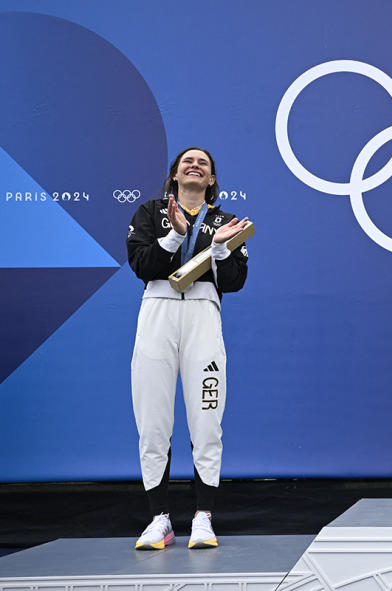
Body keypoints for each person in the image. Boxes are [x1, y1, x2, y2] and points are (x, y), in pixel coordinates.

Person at [126, 147, 250, 550]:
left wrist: (218, 249)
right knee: (153, 421)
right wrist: (176, 234)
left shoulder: (226, 222)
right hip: (157, 312)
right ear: (174, 176)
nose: (195, 166)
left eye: (203, 164)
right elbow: (143, 266)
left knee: (207, 420)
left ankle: (203, 517)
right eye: (187, 162)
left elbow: (233, 281)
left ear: (211, 180)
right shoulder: (149, 212)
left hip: (203, 314)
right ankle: (159, 519)